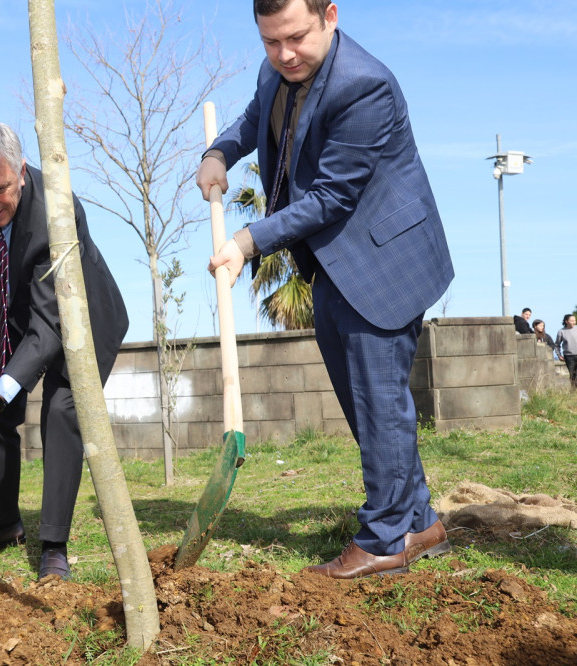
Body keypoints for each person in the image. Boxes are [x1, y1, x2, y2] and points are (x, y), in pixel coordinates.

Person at [197, 0, 454, 578]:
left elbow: (332, 197)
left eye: (296, 38)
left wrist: (246, 241)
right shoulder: (278, 71)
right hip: (333, 262)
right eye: (270, 43)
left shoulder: (365, 86)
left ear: (330, 15)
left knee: (379, 405)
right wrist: (220, 154)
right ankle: (419, 523)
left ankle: (385, 540)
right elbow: (253, 118)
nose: (285, 54)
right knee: (370, 407)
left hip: (384, 261)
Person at [0, 120, 128, 580]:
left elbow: (50, 328)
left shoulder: (56, 214)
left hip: (79, 313)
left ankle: (53, 545)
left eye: (0, 189)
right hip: (10, 309)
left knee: (62, 408)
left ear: (22, 171)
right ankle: (6, 523)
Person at [555, 314, 577, 387]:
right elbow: (557, 344)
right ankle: (573, 391)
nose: (574, 322)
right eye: (572, 321)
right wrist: (559, 355)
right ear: (566, 321)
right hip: (569, 356)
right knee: (572, 374)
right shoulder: (561, 331)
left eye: (574, 320)